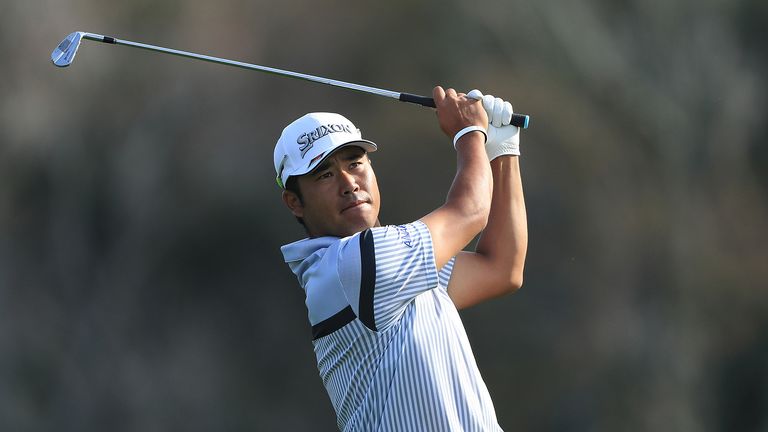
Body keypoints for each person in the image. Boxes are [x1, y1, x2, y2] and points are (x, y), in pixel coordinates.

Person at [274, 86, 528, 431]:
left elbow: (501, 268)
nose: (349, 183)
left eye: (355, 163)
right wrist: (469, 133)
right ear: (294, 202)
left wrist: (502, 152)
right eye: (325, 175)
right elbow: (469, 212)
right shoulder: (352, 264)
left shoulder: (393, 262)